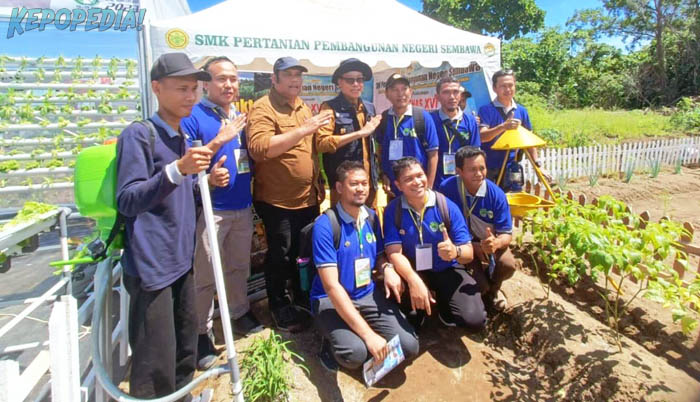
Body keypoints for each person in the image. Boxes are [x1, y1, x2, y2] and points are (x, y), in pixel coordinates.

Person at [116, 52, 215, 399]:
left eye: (195, 89)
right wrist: (177, 171)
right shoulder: (139, 135)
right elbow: (128, 199)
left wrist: (203, 183)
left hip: (181, 260)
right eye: (182, 88)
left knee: (183, 349)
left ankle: (183, 395)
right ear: (157, 88)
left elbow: (178, 196)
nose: (191, 96)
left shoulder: (181, 137)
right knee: (154, 362)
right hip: (152, 266)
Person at [181, 56, 262, 371]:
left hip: (242, 206)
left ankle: (239, 313)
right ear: (206, 83)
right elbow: (185, 166)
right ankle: (201, 332)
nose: (229, 85)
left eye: (234, 79)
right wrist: (210, 177)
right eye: (221, 79)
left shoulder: (240, 116)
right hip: (211, 210)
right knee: (205, 275)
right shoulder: (193, 116)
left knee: (238, 267)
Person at [247, 56, 335, 332]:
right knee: (281, 255)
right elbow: (260, 149)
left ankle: (301, 295)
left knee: (303, 252)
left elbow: (311, 146)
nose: (296, 80)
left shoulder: (301, 107)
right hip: (278, 202)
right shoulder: (263, 108)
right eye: (289, 75)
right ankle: (279, 305)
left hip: (308, 197)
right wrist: (305, 129)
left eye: (299, 75)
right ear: (274, 79)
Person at [311, 161, 419, 371]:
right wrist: (369, 336)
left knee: (410, 346)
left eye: (365, 183)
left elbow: (379, 255)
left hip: (366, 294)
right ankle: (330, 339)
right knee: (355, 354)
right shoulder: (326, 225)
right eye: (354, 184)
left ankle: (359, 331)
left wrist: (387, 269)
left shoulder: (370, 217)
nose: (361, 188)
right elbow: (332, 287)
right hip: (330, 300)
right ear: (340, 188)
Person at [382, 157, 486, 330]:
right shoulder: (394, 210)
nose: (417, 182)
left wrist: (455, 252)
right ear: (398, 185)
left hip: (446, 268)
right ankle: (421, 309)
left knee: (474, 320)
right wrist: (413, 280)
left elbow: (468, 253)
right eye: (408, 179)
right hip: (412, 269)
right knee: (411, 320)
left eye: (420, 175)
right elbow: (394, 253)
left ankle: (444, 307)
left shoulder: (445, 205)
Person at [439, 146, 516, 311]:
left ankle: (495, 289)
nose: (479, 174)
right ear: (459, 171)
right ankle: (484, 290)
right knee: (480, 286)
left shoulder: (496, 194)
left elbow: (506, 234)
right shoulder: (447, 190)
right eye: (472, 169)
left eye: (482, 168)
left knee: (508, 264)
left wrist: (495, 243)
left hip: (488, 241)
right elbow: (441, 226)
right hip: (462, 244)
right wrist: (471, 246)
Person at [317, 58, 383, 208]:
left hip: (369, 184)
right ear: (339, 82)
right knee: (344, 227)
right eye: (350, 80)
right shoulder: (329, 108)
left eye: (360, 80)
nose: (356, 84)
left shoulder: (369, 108)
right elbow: (322, 144)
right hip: (344, 187)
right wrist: (359, 133)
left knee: (369, 227)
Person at [377, 74, 439, 199]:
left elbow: (433, 154)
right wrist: (384, 174)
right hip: (394, 187)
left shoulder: (422, 117)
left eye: (404, 89)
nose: (400, 94)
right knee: (397, 217)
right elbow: (380, 150)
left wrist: (429, 187)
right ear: (387, 94)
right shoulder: (383, 119)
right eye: (395, 90)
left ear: (410, 92)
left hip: (418, 186)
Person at [430, 76, 481, 189]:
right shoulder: (429, 120)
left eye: (455, 92)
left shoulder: (470, 121)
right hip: (436, 182)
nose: (452, 97)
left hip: (463, 182)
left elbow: (475, 154)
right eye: (446, 92)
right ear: (437, 97)